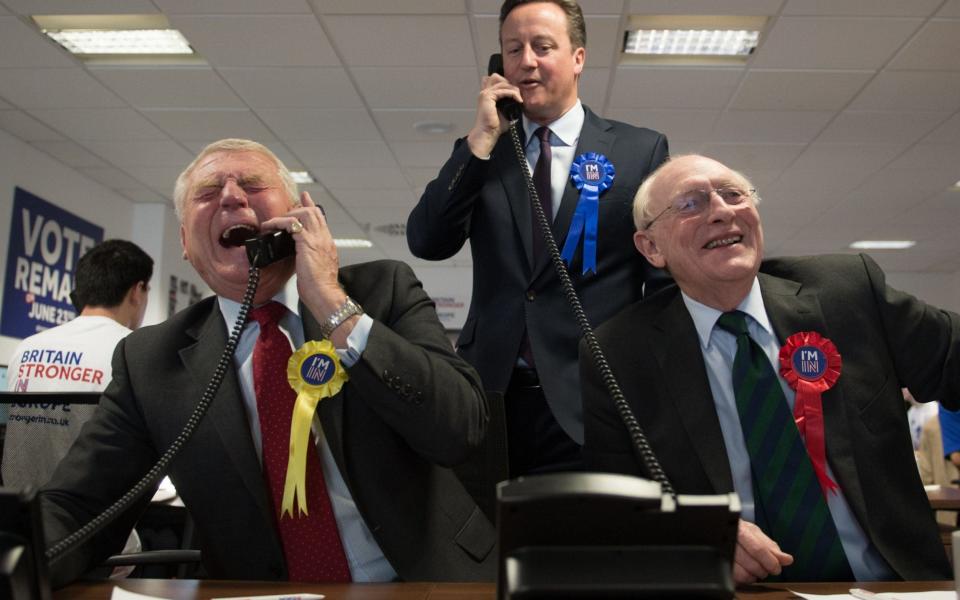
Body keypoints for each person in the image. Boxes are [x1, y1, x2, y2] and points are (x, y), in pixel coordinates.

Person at [39, 139, 495, 587]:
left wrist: (333, 306)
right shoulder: (149, 361)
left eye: (253, 184)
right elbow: (79, 508)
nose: (232, 196)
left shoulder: (383, 290)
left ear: (298, 217)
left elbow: (460, 429)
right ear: (184, 241)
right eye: (207, 192)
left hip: (427, 581)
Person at [581, 154, 957, 583]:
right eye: (691, 204)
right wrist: (695, 534)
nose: (722, 211)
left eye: (733, 194)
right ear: (651, 248)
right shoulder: (618, 353)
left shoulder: (847, 292)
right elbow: (613, 509)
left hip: (891, 586)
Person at [407, 0, 669, 477]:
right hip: (491, 399)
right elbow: (426, 241)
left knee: (584, 546)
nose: (526, 61)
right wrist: (479, 141)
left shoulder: (639, 150)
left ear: (578, 58)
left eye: (542, 46)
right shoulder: (481, 152)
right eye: (513, 49)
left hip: (596, 399)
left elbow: (663, 283)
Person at [3, 239, 153, 489]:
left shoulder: (26, 348)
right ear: (137, 291)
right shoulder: (135, 351)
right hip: (94, 516)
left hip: (20, 515)